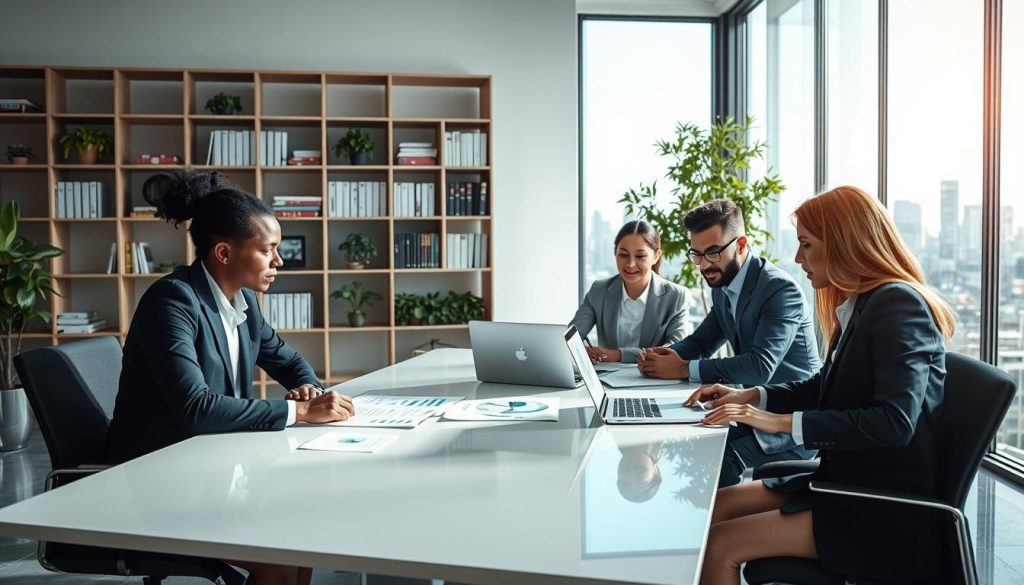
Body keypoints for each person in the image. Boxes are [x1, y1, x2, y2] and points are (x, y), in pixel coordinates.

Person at [689, 186, 956, 584]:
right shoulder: (861, 303)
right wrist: (752, 396)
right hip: (843, 482)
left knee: (720, 544)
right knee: (715, 506)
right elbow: (823, 386)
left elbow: (894, 423)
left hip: (881, 508)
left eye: (806, 245)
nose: (798, 258)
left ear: (844, 244)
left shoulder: (898, 306)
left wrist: (776, 422)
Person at [104, 170, 354, 585]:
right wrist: (300, 412)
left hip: (212, 468)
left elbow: (289, 362)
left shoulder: (242, 303)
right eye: (268, 249)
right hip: (156, 478)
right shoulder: (172, 302)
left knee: (304, 534)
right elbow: (195, 409)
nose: (279, 260)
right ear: (224, 252)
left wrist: (308, 387)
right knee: (277, 554)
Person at [637, 199, 820, 487]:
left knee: (719, 453)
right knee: (694, 433)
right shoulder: (723, 286)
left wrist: (684, 368)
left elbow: (761, 367)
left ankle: (720, 528)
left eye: (713, 252)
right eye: (696, 255)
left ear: (742, 243)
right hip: (752, 410)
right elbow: (702, 341)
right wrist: (662, 357)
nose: (704, 265)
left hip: (791, 421)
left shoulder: (779, 290)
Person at [571, 220, 692, 364]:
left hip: (654, 380)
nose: (630, 264)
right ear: (615, 253)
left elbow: (675, 350)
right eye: (623, 255)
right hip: (606, 379)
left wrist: (618, 355)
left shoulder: (677, 297)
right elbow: (571, 338)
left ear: (656, 256)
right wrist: (582, 350)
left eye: (640, 256)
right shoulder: (599, 290)